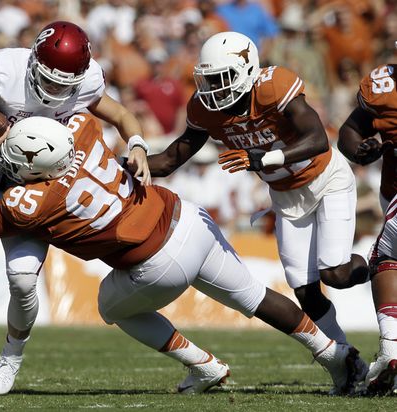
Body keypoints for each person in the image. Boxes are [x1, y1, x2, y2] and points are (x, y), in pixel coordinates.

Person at [0, 113, 364, 395]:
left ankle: (204, 364)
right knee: (254, 295)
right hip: (186, 218)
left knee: (109, 307)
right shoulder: (81, 129)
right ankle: (334, 355)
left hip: (154, 260)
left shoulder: (34, 202)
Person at [0, 21, 151, 395]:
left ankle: (11, 357)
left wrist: (137, 144)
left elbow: (122, 116)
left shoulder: (88, 81)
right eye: (50, 79)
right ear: (33, 62)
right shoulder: (4, 70)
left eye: (65, 84)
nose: (57, 90)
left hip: (33, 188)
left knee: (23, 280)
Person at [137, 31, 370, 375]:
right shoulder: (205, 109)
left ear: (247, 70)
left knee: (333, 273)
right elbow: (171, 159)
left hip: (327, 180)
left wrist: (266, 158)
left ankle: (376, 265)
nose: (213, 87)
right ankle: (347, 359)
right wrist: (125, 162)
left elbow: (318, 139)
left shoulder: (273, 86)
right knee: (305, 291)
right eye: (209, 78)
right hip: (286, 196)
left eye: (223, 77)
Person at [338, 62, 397, 395]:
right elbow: (351, 129)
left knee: (385, 257)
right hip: (392, 193)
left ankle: (390, 347)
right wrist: (360, 150)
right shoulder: (382, 88)